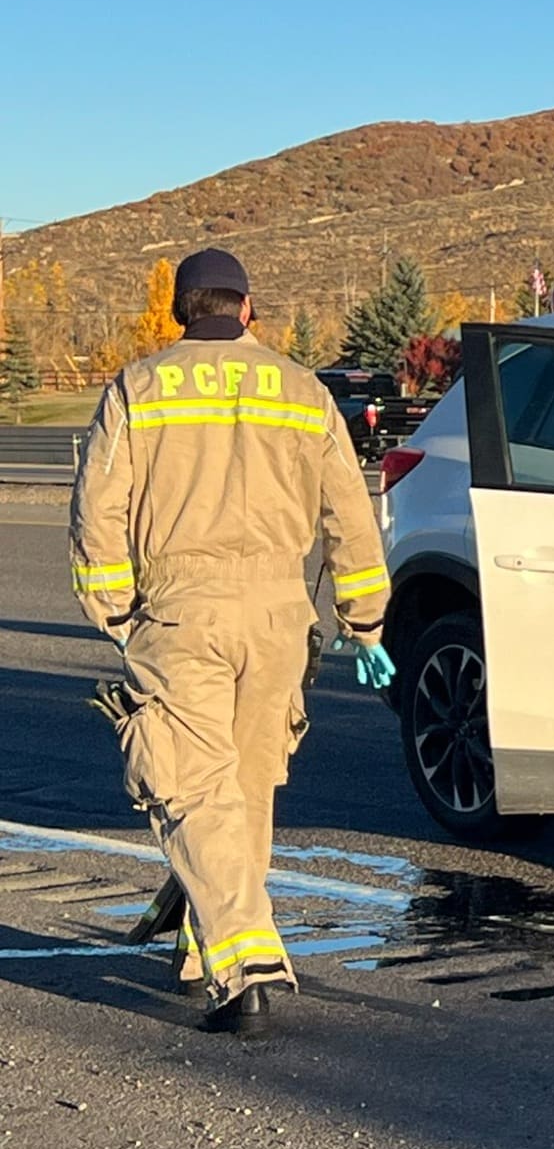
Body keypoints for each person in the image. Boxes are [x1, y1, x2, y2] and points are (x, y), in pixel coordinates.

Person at [68, 248, 397, 1030]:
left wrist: (117, 613)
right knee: (243, 793)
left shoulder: (139, 388)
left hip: (183, 612)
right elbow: (351, 515)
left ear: (181, 311)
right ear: (247, 309)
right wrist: (367, 621)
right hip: (281, 618)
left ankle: (246, 959)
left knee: (190, 788)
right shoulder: (303, 390)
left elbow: (97, 515)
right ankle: (200, 951)